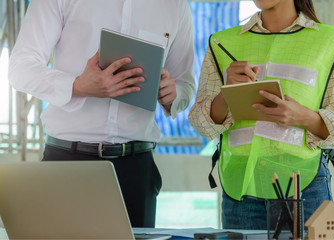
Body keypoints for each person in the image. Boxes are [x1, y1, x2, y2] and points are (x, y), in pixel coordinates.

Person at [8, 0, 195, 228]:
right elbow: (20, 69)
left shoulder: (174, 5)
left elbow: (185, 84)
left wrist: (172, 93)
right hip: (67, 163)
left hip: (136, 169)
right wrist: (78, 86)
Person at [188, 0, 334, 229]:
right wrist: (226, 94)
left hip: (305, 188)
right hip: (240, 193)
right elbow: (201, 123)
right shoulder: (222, 42)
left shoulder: (330, 41)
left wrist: (303, 117)